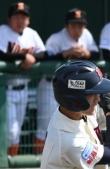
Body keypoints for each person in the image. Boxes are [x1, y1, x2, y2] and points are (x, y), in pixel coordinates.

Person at [35, 8, 99, 154]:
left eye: (80, 26)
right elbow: (45, 59)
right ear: (66, 26)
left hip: (74, 90)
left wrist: (87, 53)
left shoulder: (87, 36)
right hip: (50, 87)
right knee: (46, 126)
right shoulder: (56, 38)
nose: (77, 29)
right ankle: (41, 159)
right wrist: (65, 54)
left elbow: (97, 53)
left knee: (77, 126)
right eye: (74, 25)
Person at [0, 2, 45, 156]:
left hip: (23, 88)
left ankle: (8, 160)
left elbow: (44, 53)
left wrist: (31, 57)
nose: (20, 21)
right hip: (5, 89)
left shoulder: (31, 34)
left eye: (23, 17)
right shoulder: (2, 31)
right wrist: (23, 56)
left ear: (28, 20)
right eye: (16, 17)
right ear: (9, 19)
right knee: (11, 131)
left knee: (16, 132)